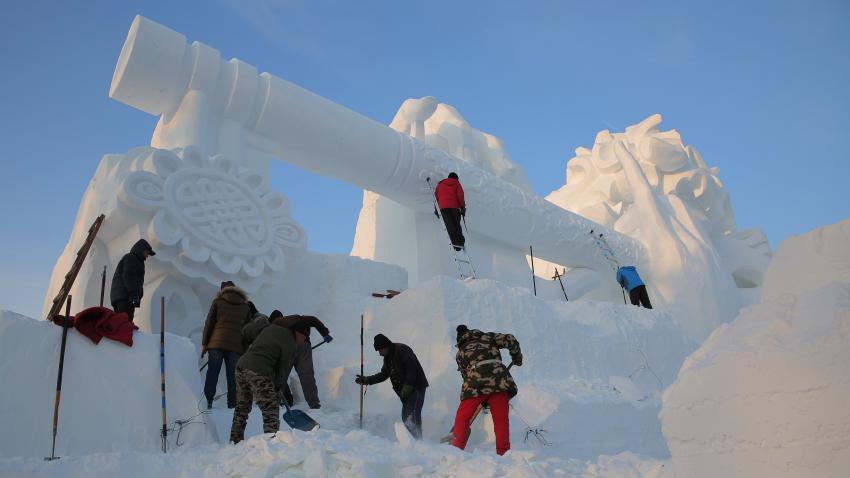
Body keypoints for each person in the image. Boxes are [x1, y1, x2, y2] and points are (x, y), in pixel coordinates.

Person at [451, 324, 522, 456]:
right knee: (501, 420)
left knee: (463, 417)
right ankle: (504, 454)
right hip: (499, 382)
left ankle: (455, 451)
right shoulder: (489, 337)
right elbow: (510, 339)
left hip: (474, 384)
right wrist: (516, 356)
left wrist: (480, 396)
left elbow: (466, 377)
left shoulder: (460, 353)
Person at [229, 316, 296, 444]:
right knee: (270, 408)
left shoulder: (269, 331)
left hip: (241, 366)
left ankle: (234, 440)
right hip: (258, 370)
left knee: (242, 407)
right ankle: (271, 443)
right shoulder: (288, 340)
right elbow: (283, 368)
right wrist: (278, 385)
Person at [355, 334, 428, 439]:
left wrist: (408, 385)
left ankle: (419, 442)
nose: (379, 353)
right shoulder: (387, 358)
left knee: (411, 417)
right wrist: (367, 380)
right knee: (405, 418)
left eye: (380, 350)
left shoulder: (402, 349)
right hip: (405, 392)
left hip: (416, 387)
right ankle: (413, 441)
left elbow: (412, 368)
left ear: (385, 346)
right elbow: (384, 374)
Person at [202, 281, 252, 409]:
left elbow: (209, 323)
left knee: (213, 372)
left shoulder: (217, 302)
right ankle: (232, 403)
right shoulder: (245, 307)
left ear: (222, 290)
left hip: (216, 343)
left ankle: (208, 401)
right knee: (233, 376)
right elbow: (248, 330)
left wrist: (204, 343)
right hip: (235, 346)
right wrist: (245, 348)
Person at [269, 310, 333, 409]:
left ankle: (281, 402)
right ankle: (314, 404)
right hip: (304, 346)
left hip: (288, 348)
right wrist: (325, 333)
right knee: (307, 375)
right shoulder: (295, 318)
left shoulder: (274, 325)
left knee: (281, 376)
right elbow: (313, 319)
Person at [109, 238, 155, 324]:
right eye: (147, 252)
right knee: (124, 322)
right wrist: (133, 292)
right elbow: (128, 275)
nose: (147, 255)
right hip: (125, 296)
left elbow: (136, 279)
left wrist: (138, 294)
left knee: (125, 322)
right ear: (142, 249)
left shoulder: (137, 260)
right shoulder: (131, 258)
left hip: (126, 296)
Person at [434, 172, 466, 251]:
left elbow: (436, 198)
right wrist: (462, 207)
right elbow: (460, 196)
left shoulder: (440, 185)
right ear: (456, 178)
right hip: (455, 208)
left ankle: (454, 243)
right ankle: (460, 243)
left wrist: (436, 209)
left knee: (449, 226)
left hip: (443, 208)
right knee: (457, 224)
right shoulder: (457, 184)